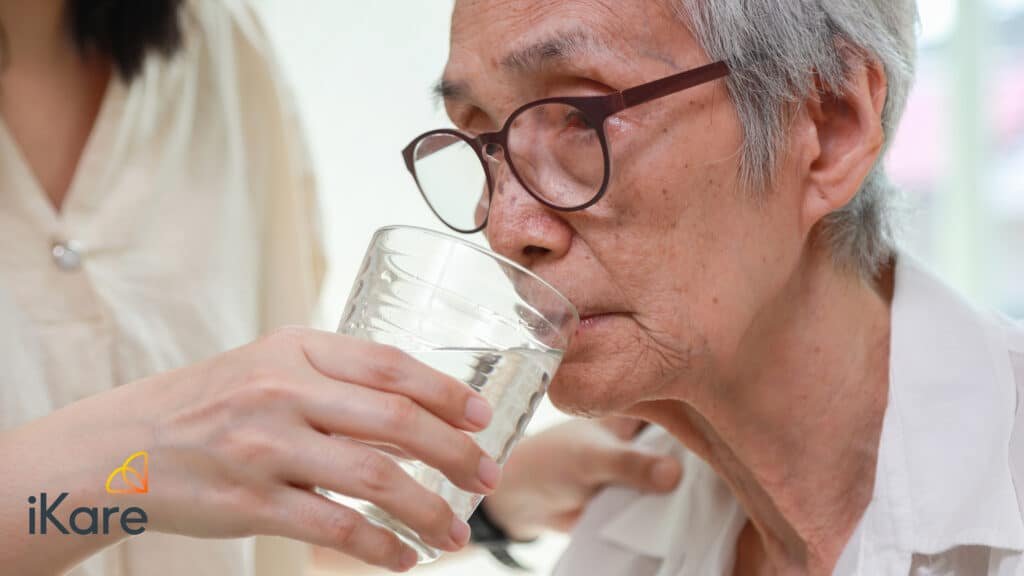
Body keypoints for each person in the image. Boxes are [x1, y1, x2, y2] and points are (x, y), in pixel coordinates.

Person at [0, 1, 682, 574]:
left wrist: (476, 504)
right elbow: (155, 481)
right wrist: (136, 463)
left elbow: (263, 539)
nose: (506, 232)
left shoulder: (222, 56)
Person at [404, 0, 1024, 574]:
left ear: (830, 125)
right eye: (481, 134)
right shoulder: (621, 533)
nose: (507, 228)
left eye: (578, 116)